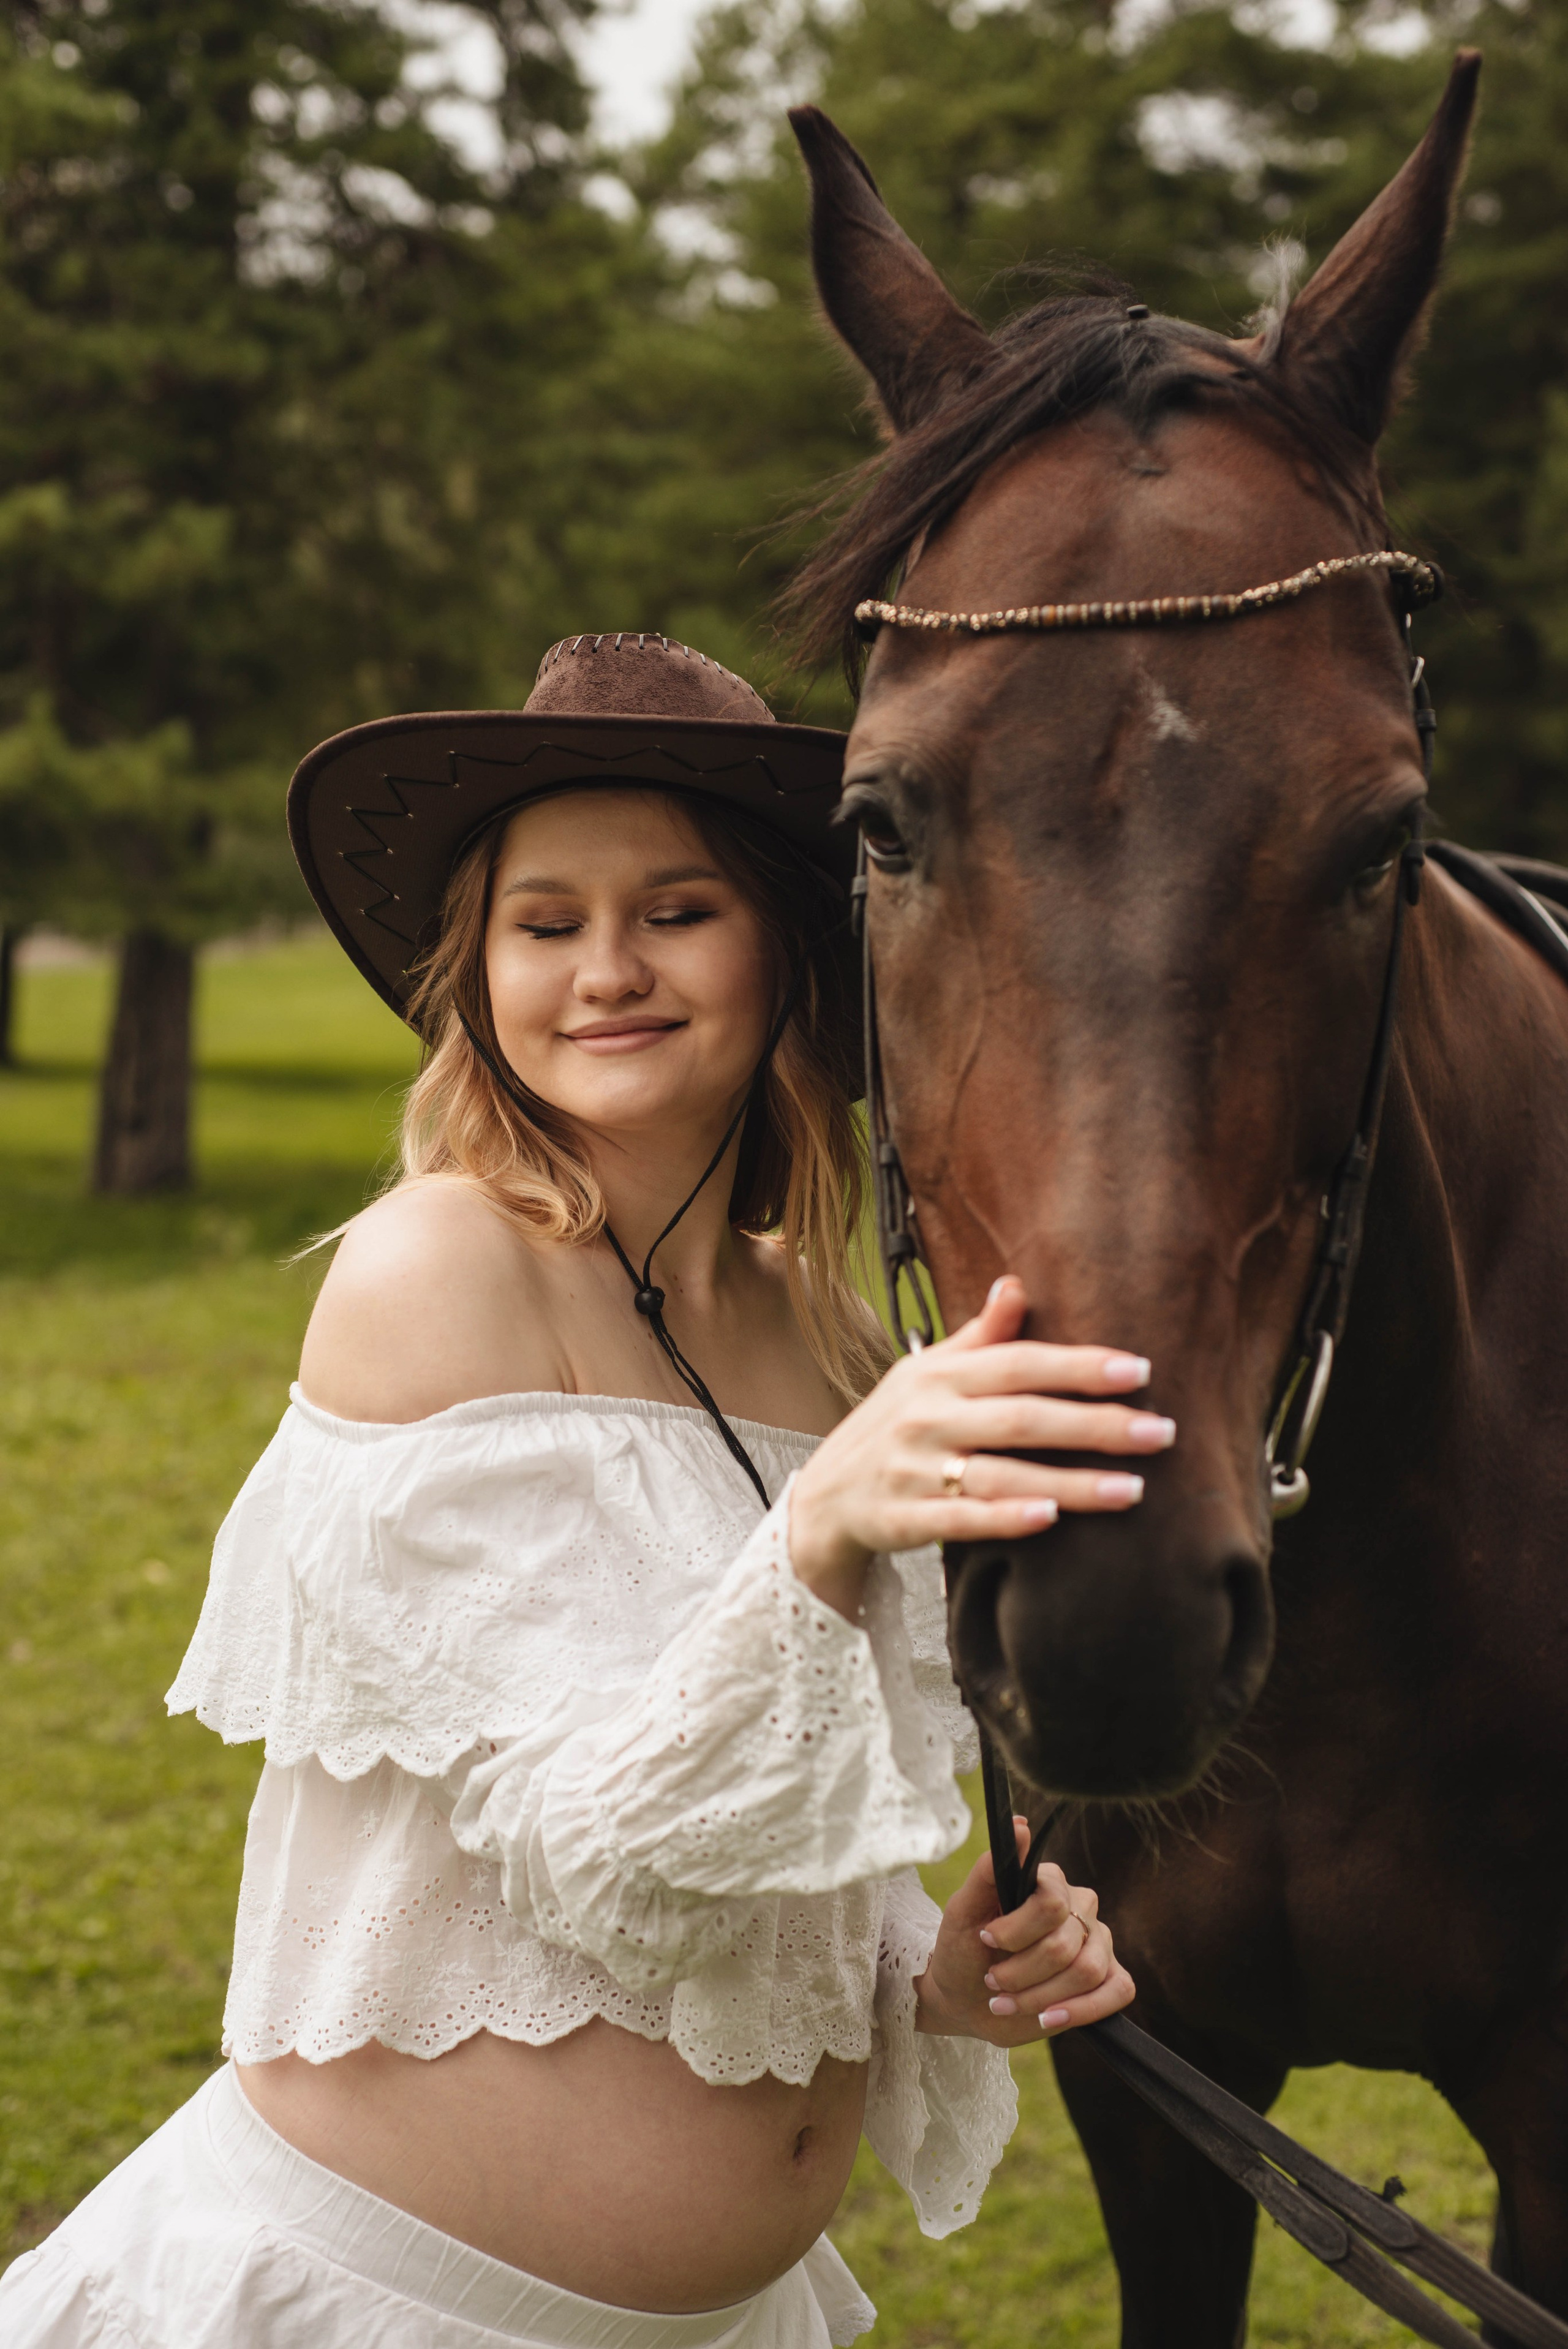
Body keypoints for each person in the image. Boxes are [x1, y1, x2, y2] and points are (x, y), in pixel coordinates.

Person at [0, 635, 1169, 2348]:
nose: (606, 967)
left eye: (676, 910)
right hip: (387, 2304)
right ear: (477, 971)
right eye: (545, 923)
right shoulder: (442, 1273)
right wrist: (830, 1528)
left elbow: (753, 1843)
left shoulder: (826, 1333)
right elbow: (599, 1858)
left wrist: (935, 1976)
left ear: (783, 940)